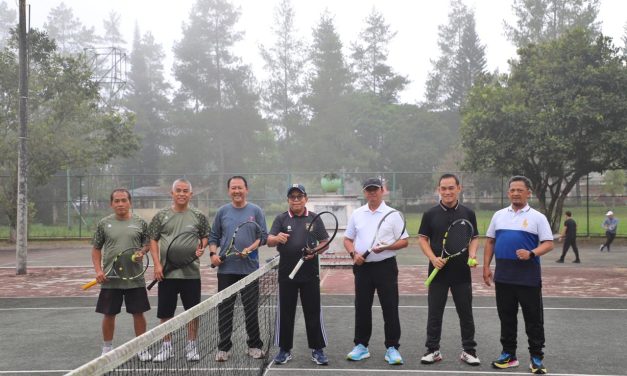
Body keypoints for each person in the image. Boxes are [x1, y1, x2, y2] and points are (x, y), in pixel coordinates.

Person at [483, 176, 554, 375]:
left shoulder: (538, 217)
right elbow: (490, 242)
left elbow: (548, 243)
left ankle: (536, 358)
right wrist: (486, 267)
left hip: (528, 278)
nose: (515, 193)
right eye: (512, 190)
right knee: (506, 318)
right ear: (508, 193)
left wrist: (531, 253)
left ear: (528, 192)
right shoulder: (498, 215)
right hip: (503, 277)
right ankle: (509, 355)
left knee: (533, 320)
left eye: (520, 190)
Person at [344, 177, 409, 365]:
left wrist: (387, 247)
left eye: (375, 189)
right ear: (364, 192)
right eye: (368, 190)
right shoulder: (357, 214)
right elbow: (348, 239)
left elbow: (404, 241)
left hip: (386, 268)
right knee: (362, 308)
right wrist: (353, 253)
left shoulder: (393, 214)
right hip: (362, 268)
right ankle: (361, 346)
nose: (372, 193)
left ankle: (392, 348)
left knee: (390, 308)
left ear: (382, 190)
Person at [418, 174, 480, 366]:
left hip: (461, 273)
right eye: (443, 188)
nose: (447, 192)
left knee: (466, 313)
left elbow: (474, 237)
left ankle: (469, 350)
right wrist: (433, 258)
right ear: (439, 190)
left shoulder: (468, 213)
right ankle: (433, 350)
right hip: (437, 273)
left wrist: (472, 255)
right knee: (435, 313)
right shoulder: (430, 214)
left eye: (451, 188)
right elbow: (422, 239)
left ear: (458, 188)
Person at [267, 184, 330, 366]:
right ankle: (284, 350)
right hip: (287, 274)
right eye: (292, 197)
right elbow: (269, 240)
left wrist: (315, 251)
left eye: (299, 196)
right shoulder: (281, 218)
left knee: (313, 312)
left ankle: (317, 350)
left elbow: (325, 242)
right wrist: (276, 238)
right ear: (288, 200)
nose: (296, 199)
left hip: (310, 274)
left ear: (306, 199)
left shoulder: (314, 219)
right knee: (285, 313)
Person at [148, 179, 210, 362]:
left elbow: (205, 236)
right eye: (178, 190)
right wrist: (157, 265)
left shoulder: (198, 216)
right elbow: (153, 239)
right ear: (172, 193)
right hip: (166, 274)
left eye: (185, 191)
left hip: (191, 274)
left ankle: (191, 346)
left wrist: (201, 246)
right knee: (165, 313)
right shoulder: (161, 216)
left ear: (191, 194)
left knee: (192, 312)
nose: (182, 194)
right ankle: (167, 347)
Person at [208, 176, 268, 362]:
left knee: (251, 310)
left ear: (246, 190)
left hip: (249, 270)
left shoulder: (256, 211)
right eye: (233, 188)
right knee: (225, 311)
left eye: (240, 188)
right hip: (226, 271)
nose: (237, 191)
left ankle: (254, 346)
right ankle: (224, 348)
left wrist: (250, 249)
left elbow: (263, 236)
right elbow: (213, 237)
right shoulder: (222, 211)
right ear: (229, 191)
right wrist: (213, 255)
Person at [90, 188, 152, 361]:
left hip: (135, 278)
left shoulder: (140, 222)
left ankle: (141, 347)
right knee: (109, 314)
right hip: (111, 279)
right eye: (116, 201)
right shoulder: (104, 224)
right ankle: (107, 348)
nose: (120, 204)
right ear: (111, 204)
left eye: (124, 200)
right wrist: (98, 271)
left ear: (129, 202)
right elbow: (96, 249)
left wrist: (142, 251)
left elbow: (147, 244)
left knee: (138, 313)